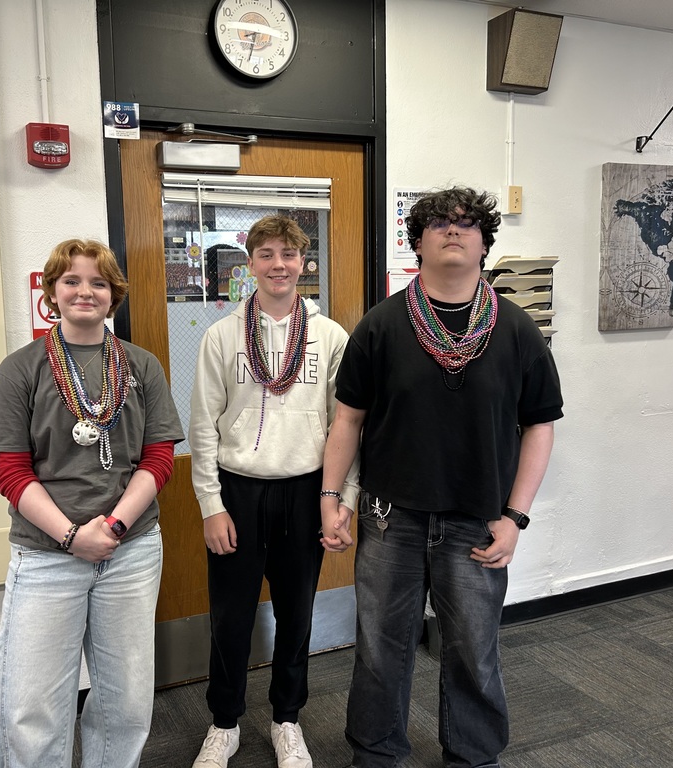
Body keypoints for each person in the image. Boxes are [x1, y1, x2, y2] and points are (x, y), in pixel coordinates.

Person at [321, 187, 563, 768]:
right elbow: (347, 419)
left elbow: (540, 427)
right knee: (381, 649)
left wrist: (516, 517)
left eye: (465, 224)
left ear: (484, 243)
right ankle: (376, 753)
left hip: (477, 523)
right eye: (438, 223)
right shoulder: (380, 326)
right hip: (390, 520)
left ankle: (473, 756)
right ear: (418, 242)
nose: (452, 231)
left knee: (474, 651)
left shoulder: (516, 331)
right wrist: (332, 498)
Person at [0, 238, 184, 768]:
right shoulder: (20, 370)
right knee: (33, 704)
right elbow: (11, 472)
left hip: (130, 552)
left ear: (114, 295)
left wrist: (111, 528)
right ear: (51, 292)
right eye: (71, 281)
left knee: (126, 700)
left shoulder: (142, 366)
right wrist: (72, 537)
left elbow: (158, 459)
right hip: (47, 555)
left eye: (98, 282)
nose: (84, 291)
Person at [188, 215, 358, 768]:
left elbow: (348, 425)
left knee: (297, 614)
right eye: (266, 253)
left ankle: (287, 719)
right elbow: (203, 425)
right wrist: (212, 506)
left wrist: (343, 499)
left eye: (289, 254)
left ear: (304, 263)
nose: (278, 264)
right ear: (250, 262)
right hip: (239, 493)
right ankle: (224, 722)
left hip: (306, 490)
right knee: (230, 616)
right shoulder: (221, 335)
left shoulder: (331, 336)